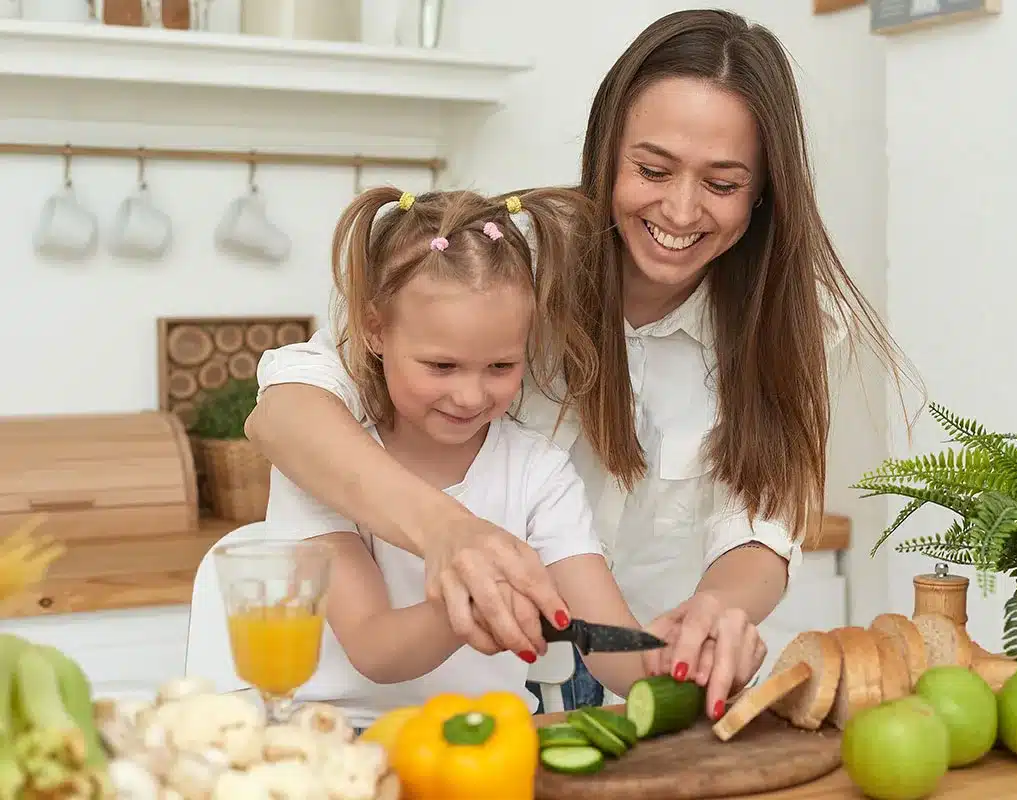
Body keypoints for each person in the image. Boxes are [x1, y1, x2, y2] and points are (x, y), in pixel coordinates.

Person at [246, 9, 909, 719]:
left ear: (762, 193)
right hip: (479, 684)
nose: (681, 209)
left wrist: (710, 621)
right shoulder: (498, 267)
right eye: (653, 169)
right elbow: (287, 409)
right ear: (607, 152)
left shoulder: (787, 316)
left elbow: (762, 521)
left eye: (722, 184)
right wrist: (450, 534)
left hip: (628, 663)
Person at [257, 185, 762, 729]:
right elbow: (376, 650)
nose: (472, 396)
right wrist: (477, 601)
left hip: (492, 744)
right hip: (338, 741)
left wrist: (683, 659)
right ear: (376, 330)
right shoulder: (329, 464)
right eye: (441, 367)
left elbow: (608, 646)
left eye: (500, 367)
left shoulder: (537, 471)